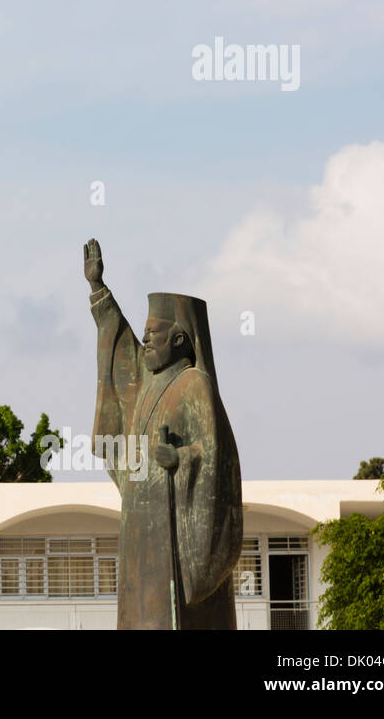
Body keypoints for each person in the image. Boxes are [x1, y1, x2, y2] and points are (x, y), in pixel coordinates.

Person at [84, 238, 243, 629]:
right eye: (146, 332)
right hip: (139, 519)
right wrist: (97, 288)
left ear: (179, 339)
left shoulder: (194, 384)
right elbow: (118, 339)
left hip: (175, 523)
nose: (146, 339)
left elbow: (215, 455)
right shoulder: (145, 381)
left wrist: (182, 459)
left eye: (154, 333)